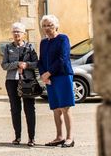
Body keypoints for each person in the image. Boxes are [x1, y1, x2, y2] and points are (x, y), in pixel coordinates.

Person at [38, 14, 75, 148]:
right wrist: (43, 74)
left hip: (62, 75)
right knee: (55, 109)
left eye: (50, 25)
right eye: (44, 26)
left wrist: (49, 73)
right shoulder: (43, 42)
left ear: (56, 26)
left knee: (65, 107)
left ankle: (70, 138)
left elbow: (63, 58)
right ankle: (59, 137)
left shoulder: (63, 39)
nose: (47, 28)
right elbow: (41, 60)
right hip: (49, 78)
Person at [1, 22, 38, 146]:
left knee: (29, 109)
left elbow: (36, 63)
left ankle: (31, 138)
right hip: (12, 81)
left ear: (24, 34)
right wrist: (17, 64)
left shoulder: (30, 47)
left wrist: (26, 65)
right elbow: (4, 65)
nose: (16, 34)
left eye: (19, 31)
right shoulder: (8, 48)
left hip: (27, 81)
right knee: (15, 109)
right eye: (14, 31)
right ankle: (17, 137)